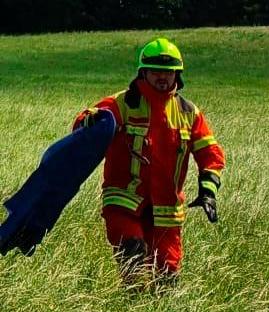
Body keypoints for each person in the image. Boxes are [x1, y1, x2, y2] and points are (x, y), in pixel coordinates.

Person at [73, 38, 225, 287]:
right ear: (143, 72)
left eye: (168, 72)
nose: (162, 77)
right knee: (133, 257)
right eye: (156, 71)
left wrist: (208, 192)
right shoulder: (122, 104)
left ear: (178, 74)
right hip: (124, 203)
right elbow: (82, 123)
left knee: (169, 279)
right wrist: (90, 121)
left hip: (167, 212)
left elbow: (211, 154)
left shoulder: (189, 113)